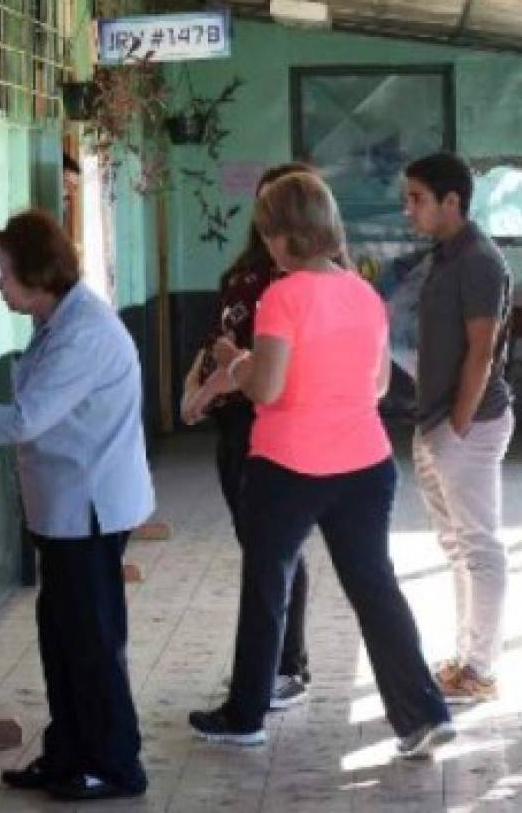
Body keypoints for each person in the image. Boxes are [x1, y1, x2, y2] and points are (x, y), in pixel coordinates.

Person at [186, 172, 454, 758]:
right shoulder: (363, 293)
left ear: (281, 236)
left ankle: (246, 714)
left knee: (266, 585)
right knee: (375, 588)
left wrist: (234, 363)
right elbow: (381, 383)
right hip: (365, 464)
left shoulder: (281, 295)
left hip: (287, 466)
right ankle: (422, 713)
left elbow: (266, 388)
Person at [0, 211, 153, 802]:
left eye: (5, 274)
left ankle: (116, 765)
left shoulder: (83, 332)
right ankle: (68, 752)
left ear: (38, 276)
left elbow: (26, 419)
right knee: (61, 636)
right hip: (65, 507)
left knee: (92, 642)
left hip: (88, 511)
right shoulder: (57, 320)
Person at [181, 163, 316, 710]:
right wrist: (196, 390)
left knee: (278, 548)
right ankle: (264, 666)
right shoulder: (242, 273)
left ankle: (289, 666)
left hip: (276, 422)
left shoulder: (302, 282)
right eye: (262, 209)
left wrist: (231, 372)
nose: (267, 222)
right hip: (233, 420)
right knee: (256, 546)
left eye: (277, 210)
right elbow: (216, 338)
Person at [403, 152, 514, 704]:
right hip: (437, 423)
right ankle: (466, 657)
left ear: (453, 201)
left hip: (468, 424)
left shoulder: (478, 259)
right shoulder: (447, 256)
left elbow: (482, 350)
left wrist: (457, 427)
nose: (409, 210)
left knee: (478, 543)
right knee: (457, 546)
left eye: (418, 198)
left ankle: (481, 668)